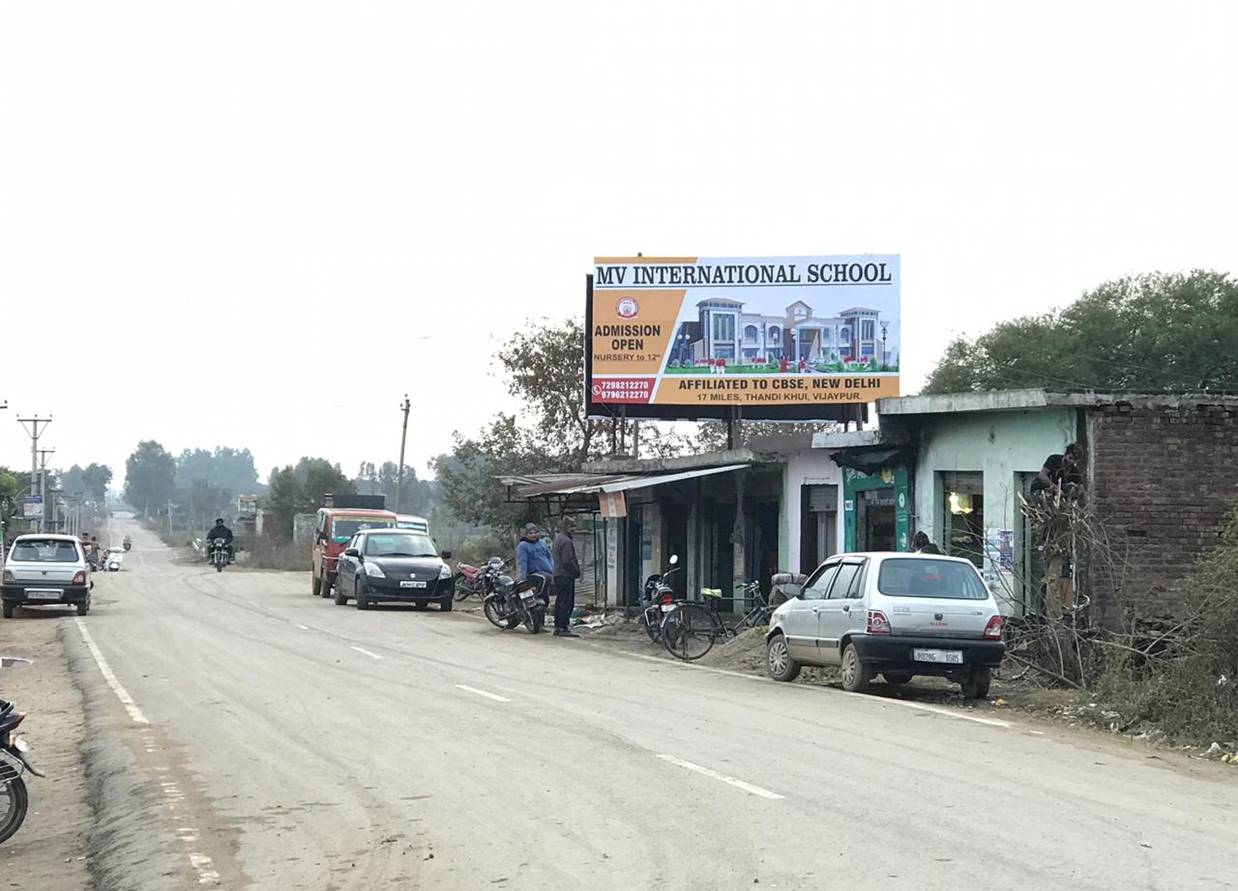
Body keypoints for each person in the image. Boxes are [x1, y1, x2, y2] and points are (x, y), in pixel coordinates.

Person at [552, 517, 582, 637]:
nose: (574, 529)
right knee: (567, 602)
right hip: (565, 575)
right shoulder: (566, 541)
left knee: (560, 600)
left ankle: (558, 626)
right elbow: (567, 561)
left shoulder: (557, 538)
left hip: (558, 574)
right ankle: (563, 627)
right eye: (572, 527)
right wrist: (576, 571)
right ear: (566, 527)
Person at [515, 522, 553, 607]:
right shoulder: (523, 546)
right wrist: (522, 577)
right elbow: (522, 562)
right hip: (533, 574)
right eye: (530, 533)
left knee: (546, 598)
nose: (533, 535)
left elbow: (549, 556)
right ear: (526, 534)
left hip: (546, 572)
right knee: (544, 578)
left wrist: (553, 569)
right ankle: (537, 597)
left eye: (535, 533)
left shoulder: (542, 543)